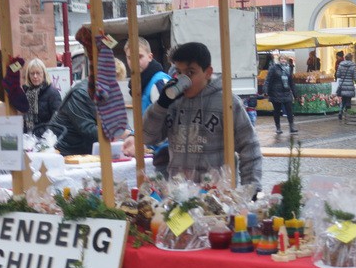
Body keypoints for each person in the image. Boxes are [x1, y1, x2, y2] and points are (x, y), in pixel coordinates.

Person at [143, 41, 262, 190]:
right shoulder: (172, 103)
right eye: (179, 72)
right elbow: (148, 138)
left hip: (215, 195)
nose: (183, 79)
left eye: (190, 73)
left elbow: (249, 145)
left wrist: (251, 188)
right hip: (179, 193)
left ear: (208, 72)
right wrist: (161, 105)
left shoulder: (227, 103)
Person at [50, 58, 133, 156]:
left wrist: (130, 133)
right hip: (69, 151)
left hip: (89, 149)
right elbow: (87, 128)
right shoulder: (80, 93)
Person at [124, 37, 171, 176]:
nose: (134, 62)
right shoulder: (141, 83)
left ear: (150, 57)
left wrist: (143, 142)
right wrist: (134, 136)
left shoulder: (159, 82)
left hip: (166, 155)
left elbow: (169, 123)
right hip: (155, 153)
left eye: (139, 57)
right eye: (130, 58)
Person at [20, 58, 61, 135]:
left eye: (38, 73)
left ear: (44, 74)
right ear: (28, 75)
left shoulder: (53, 93)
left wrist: (37, 133)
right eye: (32, 73)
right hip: (30, 138)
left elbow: (57, 120)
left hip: (47, 138)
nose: (35, 76)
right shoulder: (27, 93)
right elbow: (26, 123)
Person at [263, 50, 298, 135]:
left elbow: (291, 82)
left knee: (289, 110)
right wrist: (265, 90)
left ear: (287, 60)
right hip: (276, 92)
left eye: (284, 59)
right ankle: (278, 127)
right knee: (277, 111)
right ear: (279, 60)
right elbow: (268, 80)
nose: (283, 60)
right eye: (282, 59)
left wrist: (295, 94)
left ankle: (292, 127)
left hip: (286, 92)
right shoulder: (274, 68)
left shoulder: (289, 68)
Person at [335, 52, 356, 120]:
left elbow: (338, 75)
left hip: (342, 85)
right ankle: (347, 114)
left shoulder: (341, 65)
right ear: (351, 58)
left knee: (343, 99)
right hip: (349, 85)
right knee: (348, 100)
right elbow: (355, 78)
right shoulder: (353, 66)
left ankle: (340, 111)